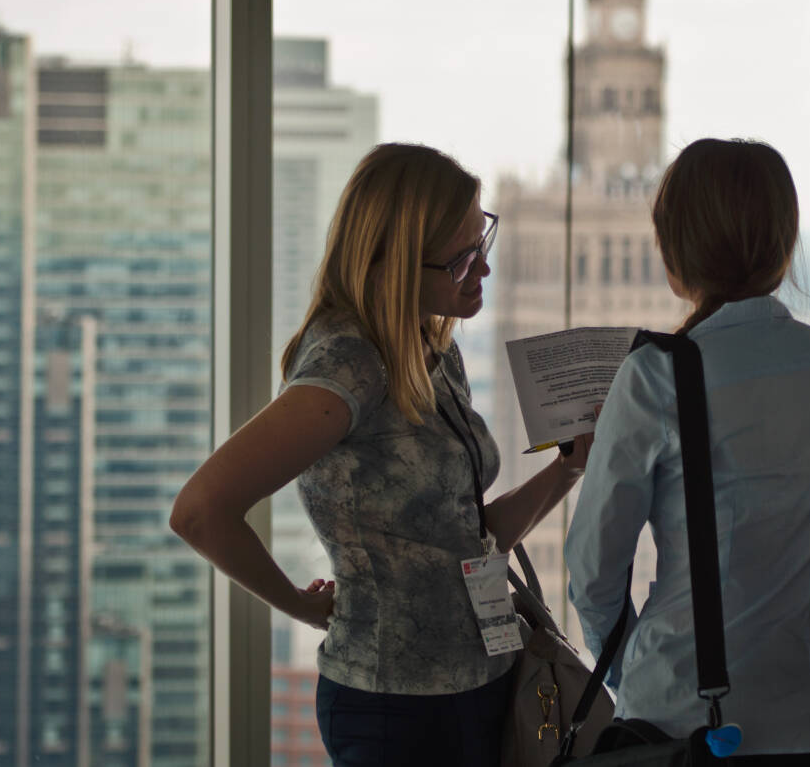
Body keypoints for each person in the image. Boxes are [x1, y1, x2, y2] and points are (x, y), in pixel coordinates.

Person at [170, 142, 592, 767]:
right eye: (461, 259)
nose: (483, 268)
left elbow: (470, 539)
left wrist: (569, 467)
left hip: (482, 685)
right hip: (396, 707)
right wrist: (299, 605)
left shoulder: (429, 346)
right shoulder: (348, 366)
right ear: (393, 264)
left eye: (483, 240)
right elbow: (200, 511)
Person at [564, 138, 810, 763]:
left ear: (677, 251)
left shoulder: (658, 375)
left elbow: (594, 570)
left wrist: (630, 671)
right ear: (783, 245)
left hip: (685, 721)